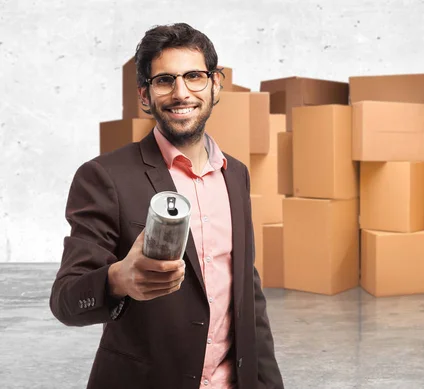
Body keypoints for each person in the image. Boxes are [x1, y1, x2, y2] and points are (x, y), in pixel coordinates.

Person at [49, 23, 284, 389]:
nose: (181, 92)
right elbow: (65, 300)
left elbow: (247, 293)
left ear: (215, 85)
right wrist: (117, 280)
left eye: (194, 76)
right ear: (145, 95)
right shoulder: (104, 177)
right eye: (164, 81)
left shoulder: (234, 174)